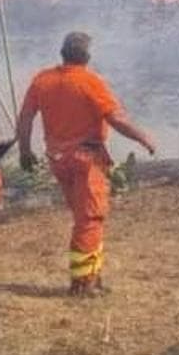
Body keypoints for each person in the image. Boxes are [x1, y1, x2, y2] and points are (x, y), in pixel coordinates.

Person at [16, 32, 157, 296]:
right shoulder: (90, 82)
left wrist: (25, 151)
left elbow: (25, 117)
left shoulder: (42, 80)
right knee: (90, 218)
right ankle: (83, 284)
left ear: (62, 53)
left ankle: (92, 274)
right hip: (86, 160)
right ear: (88, 57)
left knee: (84, 218)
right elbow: (115, 119)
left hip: (58, 160)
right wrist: (143, 137)